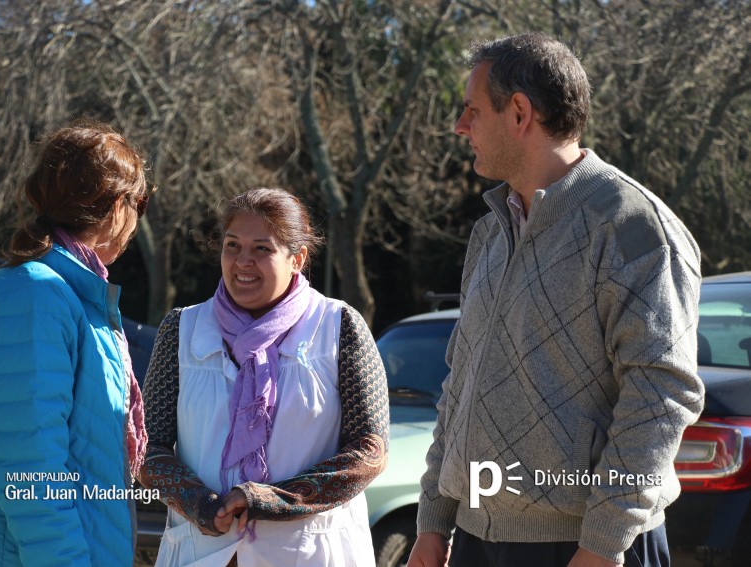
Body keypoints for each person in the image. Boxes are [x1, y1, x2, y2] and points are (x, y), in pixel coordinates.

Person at [407, 32, 703, 567]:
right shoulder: (490, 234)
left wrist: (602, 545)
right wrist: (434, 521)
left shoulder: (633, 226)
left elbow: (660, 395)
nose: (460, 126)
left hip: (585, 550)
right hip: (477, 540)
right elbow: (460, 388)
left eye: (473, 110)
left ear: (519, 112)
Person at [0, 121, 153, 566]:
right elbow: (30, 469)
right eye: (140, 203)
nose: (136, 218)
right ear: (116, 205)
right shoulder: (38, 295)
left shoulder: (74, 295)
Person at [138, 187, 389, 566]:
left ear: (298, 259)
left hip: (310, 553)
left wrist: (273, 500)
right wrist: (199, 503)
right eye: (232, 246)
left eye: (262, 249)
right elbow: (147, 446)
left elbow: (370, 451)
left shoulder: (339, 326)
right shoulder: (182, 329)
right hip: (203, 552)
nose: (243, 262)